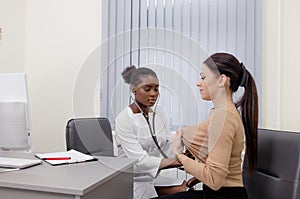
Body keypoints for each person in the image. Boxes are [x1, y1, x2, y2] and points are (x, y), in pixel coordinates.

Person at [156, 52, 258, 199]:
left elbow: (215, 179)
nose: (198, 83)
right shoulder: (220, 113)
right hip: (217, 193)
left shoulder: (223, 118)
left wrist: (179, 155)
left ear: (221, 80)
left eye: (203, 77)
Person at [115, 66, 187, 199]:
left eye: (156, 88)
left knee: (185, 188)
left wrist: (184, 153)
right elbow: (140, 161)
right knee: (180, 192)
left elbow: (166, 145)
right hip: (132, 180)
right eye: (147, 89)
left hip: (152, 177)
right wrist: (179, 161)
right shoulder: (124, 119)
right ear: (134, 89)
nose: (153, 93)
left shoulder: (159, 113)